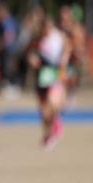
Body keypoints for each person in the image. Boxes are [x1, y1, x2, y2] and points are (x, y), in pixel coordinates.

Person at [27, 14, 71, 150]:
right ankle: (48, 133)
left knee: (52, 102)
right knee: (43, 110)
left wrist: (64, 61)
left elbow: (68, 48)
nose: (45, 32)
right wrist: (32, 59)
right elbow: (29, 51)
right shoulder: (37, 39)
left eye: (47, 29)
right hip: (41, 75)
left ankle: (54, 125)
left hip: (54, 73)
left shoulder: (58, 37)